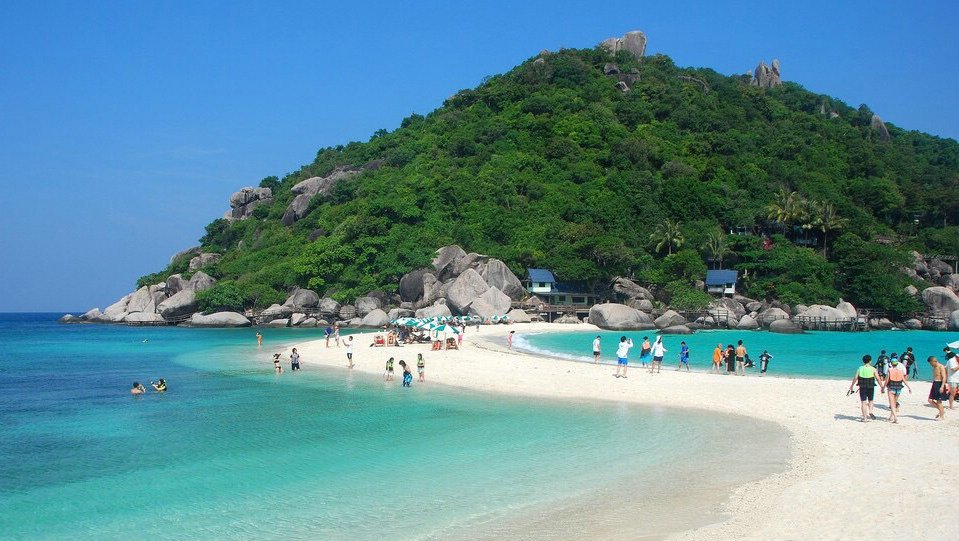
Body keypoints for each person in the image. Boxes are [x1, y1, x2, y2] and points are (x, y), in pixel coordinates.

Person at [848, 355, 883, 422]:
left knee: (863, 402)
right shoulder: (873, 369)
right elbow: (878, 379)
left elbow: (855, 378)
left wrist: (852, 386)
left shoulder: (860, 368)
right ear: (870, 361)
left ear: (863, 361)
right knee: (871, 400)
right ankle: (870, 411)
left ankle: (865, 418)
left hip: (862, 387)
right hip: (870, 386)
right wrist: (882, 387)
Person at [885, 358, 911, 423]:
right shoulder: (900, 371)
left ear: (891, 364)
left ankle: (895, 417)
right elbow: (904, 380)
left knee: (892, 404)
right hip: (899, 388)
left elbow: (887, 380)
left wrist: (883, 387)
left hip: (891, 388)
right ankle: (891, 416)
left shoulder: (890, 370)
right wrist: (909, 387)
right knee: (894, 402)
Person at [928, 356, 947, 420]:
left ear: (934, 361)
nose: (931, 365)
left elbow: (944, 377)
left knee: (939, 401)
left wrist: (942, 386)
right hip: (935, 383)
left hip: (940, 384)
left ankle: (942, 416)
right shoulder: (934, 367)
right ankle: (942, 411)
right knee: (930, 400)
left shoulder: (941, 367)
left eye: (931, 363)